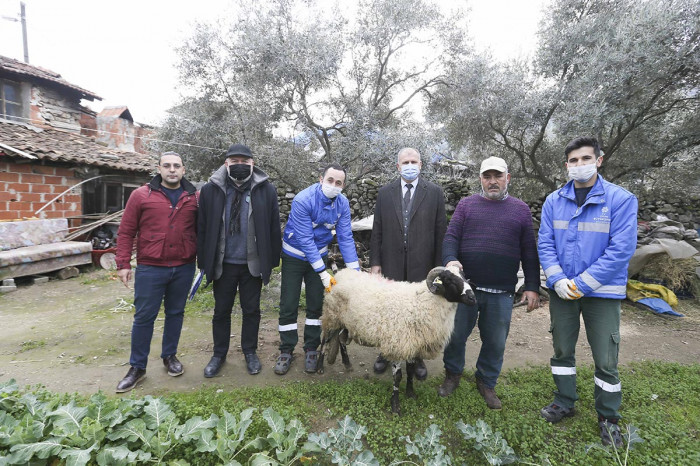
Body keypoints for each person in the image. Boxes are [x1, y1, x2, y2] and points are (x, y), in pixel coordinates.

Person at [538, 136, 638, 448]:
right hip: (561, 292)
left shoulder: (620, 200)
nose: (579, 165)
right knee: (562, 350)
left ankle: (608, 417)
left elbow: (620, 251)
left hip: (601, 294)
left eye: (585, 158)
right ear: (566, 165)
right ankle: (564, 401)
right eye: (573, 161)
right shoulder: (554, 200)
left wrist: (580, 285)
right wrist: (556, 280)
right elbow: (545, 242)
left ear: (599, 160)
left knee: (606, 357)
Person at [438, 156, 541, 409]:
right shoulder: (466, 205)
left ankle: (486, 382)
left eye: (498, 176)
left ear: (508, 178)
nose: (492, 181)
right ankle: (453, 375)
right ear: (480, 179)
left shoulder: (520, 210)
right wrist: (451, 260)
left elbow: (529, 251)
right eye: (487, 176)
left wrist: (531, 286)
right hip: (465, 289)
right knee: (455, 336)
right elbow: (451, 237)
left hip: (501, 291)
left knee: (495, 341)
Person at [114, 151, 198, 393]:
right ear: (159, 169)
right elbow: (126, 231)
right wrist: (123, 264)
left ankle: (169, 356)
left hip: (183, 266)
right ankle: (137, 367)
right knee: (143, 318)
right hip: (151, 267)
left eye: (177, 166)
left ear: (184, 170)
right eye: (167, 166)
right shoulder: (141, 196)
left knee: (175, 313)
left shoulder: (194, 197)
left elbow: (203, 230)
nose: (172, 170)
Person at [197, 144, 281, 377]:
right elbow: (202, 227)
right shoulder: (210, 190)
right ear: (226, 164)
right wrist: (203, 261)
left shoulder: (266, 190)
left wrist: (271, 262)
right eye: (234, 161)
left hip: (251, 264)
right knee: (221, 311)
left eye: (245, 161)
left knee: (251, 311)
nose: (240, 165)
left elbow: (274, 227)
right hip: (222, 263)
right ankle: (218, 354)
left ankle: (250, 352)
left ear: (253, 163)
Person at [275, 162, 360, 375]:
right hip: (294, 255)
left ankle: (311, 348)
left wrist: (355, 272)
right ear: (321, 179)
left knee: (315, 304)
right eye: (330, 180)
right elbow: (304, 239)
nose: (333, 185)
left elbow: (345, 237)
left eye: (338, 183)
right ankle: (286, 350)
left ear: (343, 185)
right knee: (289, 303)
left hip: (319, 254)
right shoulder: (303, 200)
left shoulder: (342, 203)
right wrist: (323, 273)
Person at [369, 147, 447, 379]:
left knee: (417, 311)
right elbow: (377, 230)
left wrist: (438, 266)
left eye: (414, 161)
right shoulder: (385, 193)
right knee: (390, 309)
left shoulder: (434, 193)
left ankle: (416, 356)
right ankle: (386, 351)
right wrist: (375, 263)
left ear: (421, 165)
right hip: (390, 260)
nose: (410, 165)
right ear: (398, 166)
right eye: (405, 162)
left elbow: (440, 232)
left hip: (422, 264)